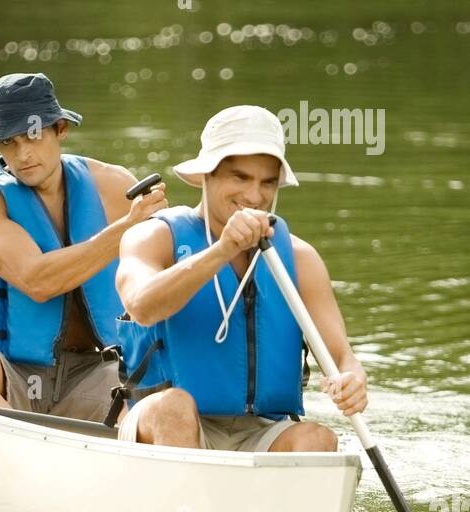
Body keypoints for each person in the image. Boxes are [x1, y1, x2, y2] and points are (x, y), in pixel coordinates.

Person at [115, 105, 367, 451]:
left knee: (317, 439)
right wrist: (222, 250)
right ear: (207, 175)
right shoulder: (152, 237)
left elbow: (342, 357)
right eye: (240, 178)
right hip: (164, 423)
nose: (254, 196)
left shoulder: (300, 258)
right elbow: (142, 307)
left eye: (267, 182)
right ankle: (185, 502)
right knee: (174, 408)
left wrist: (352, 377)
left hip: (261, 430)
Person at [0, 72, 167, 421]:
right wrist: (125, 228)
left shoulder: (115, 187)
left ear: (60, 129)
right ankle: (6, 456)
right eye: (9, 142)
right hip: (6, 371)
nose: (23, 154)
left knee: (156, 391)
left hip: (92, 370)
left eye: (33, 135)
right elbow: (38, 282)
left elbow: (169, 272)